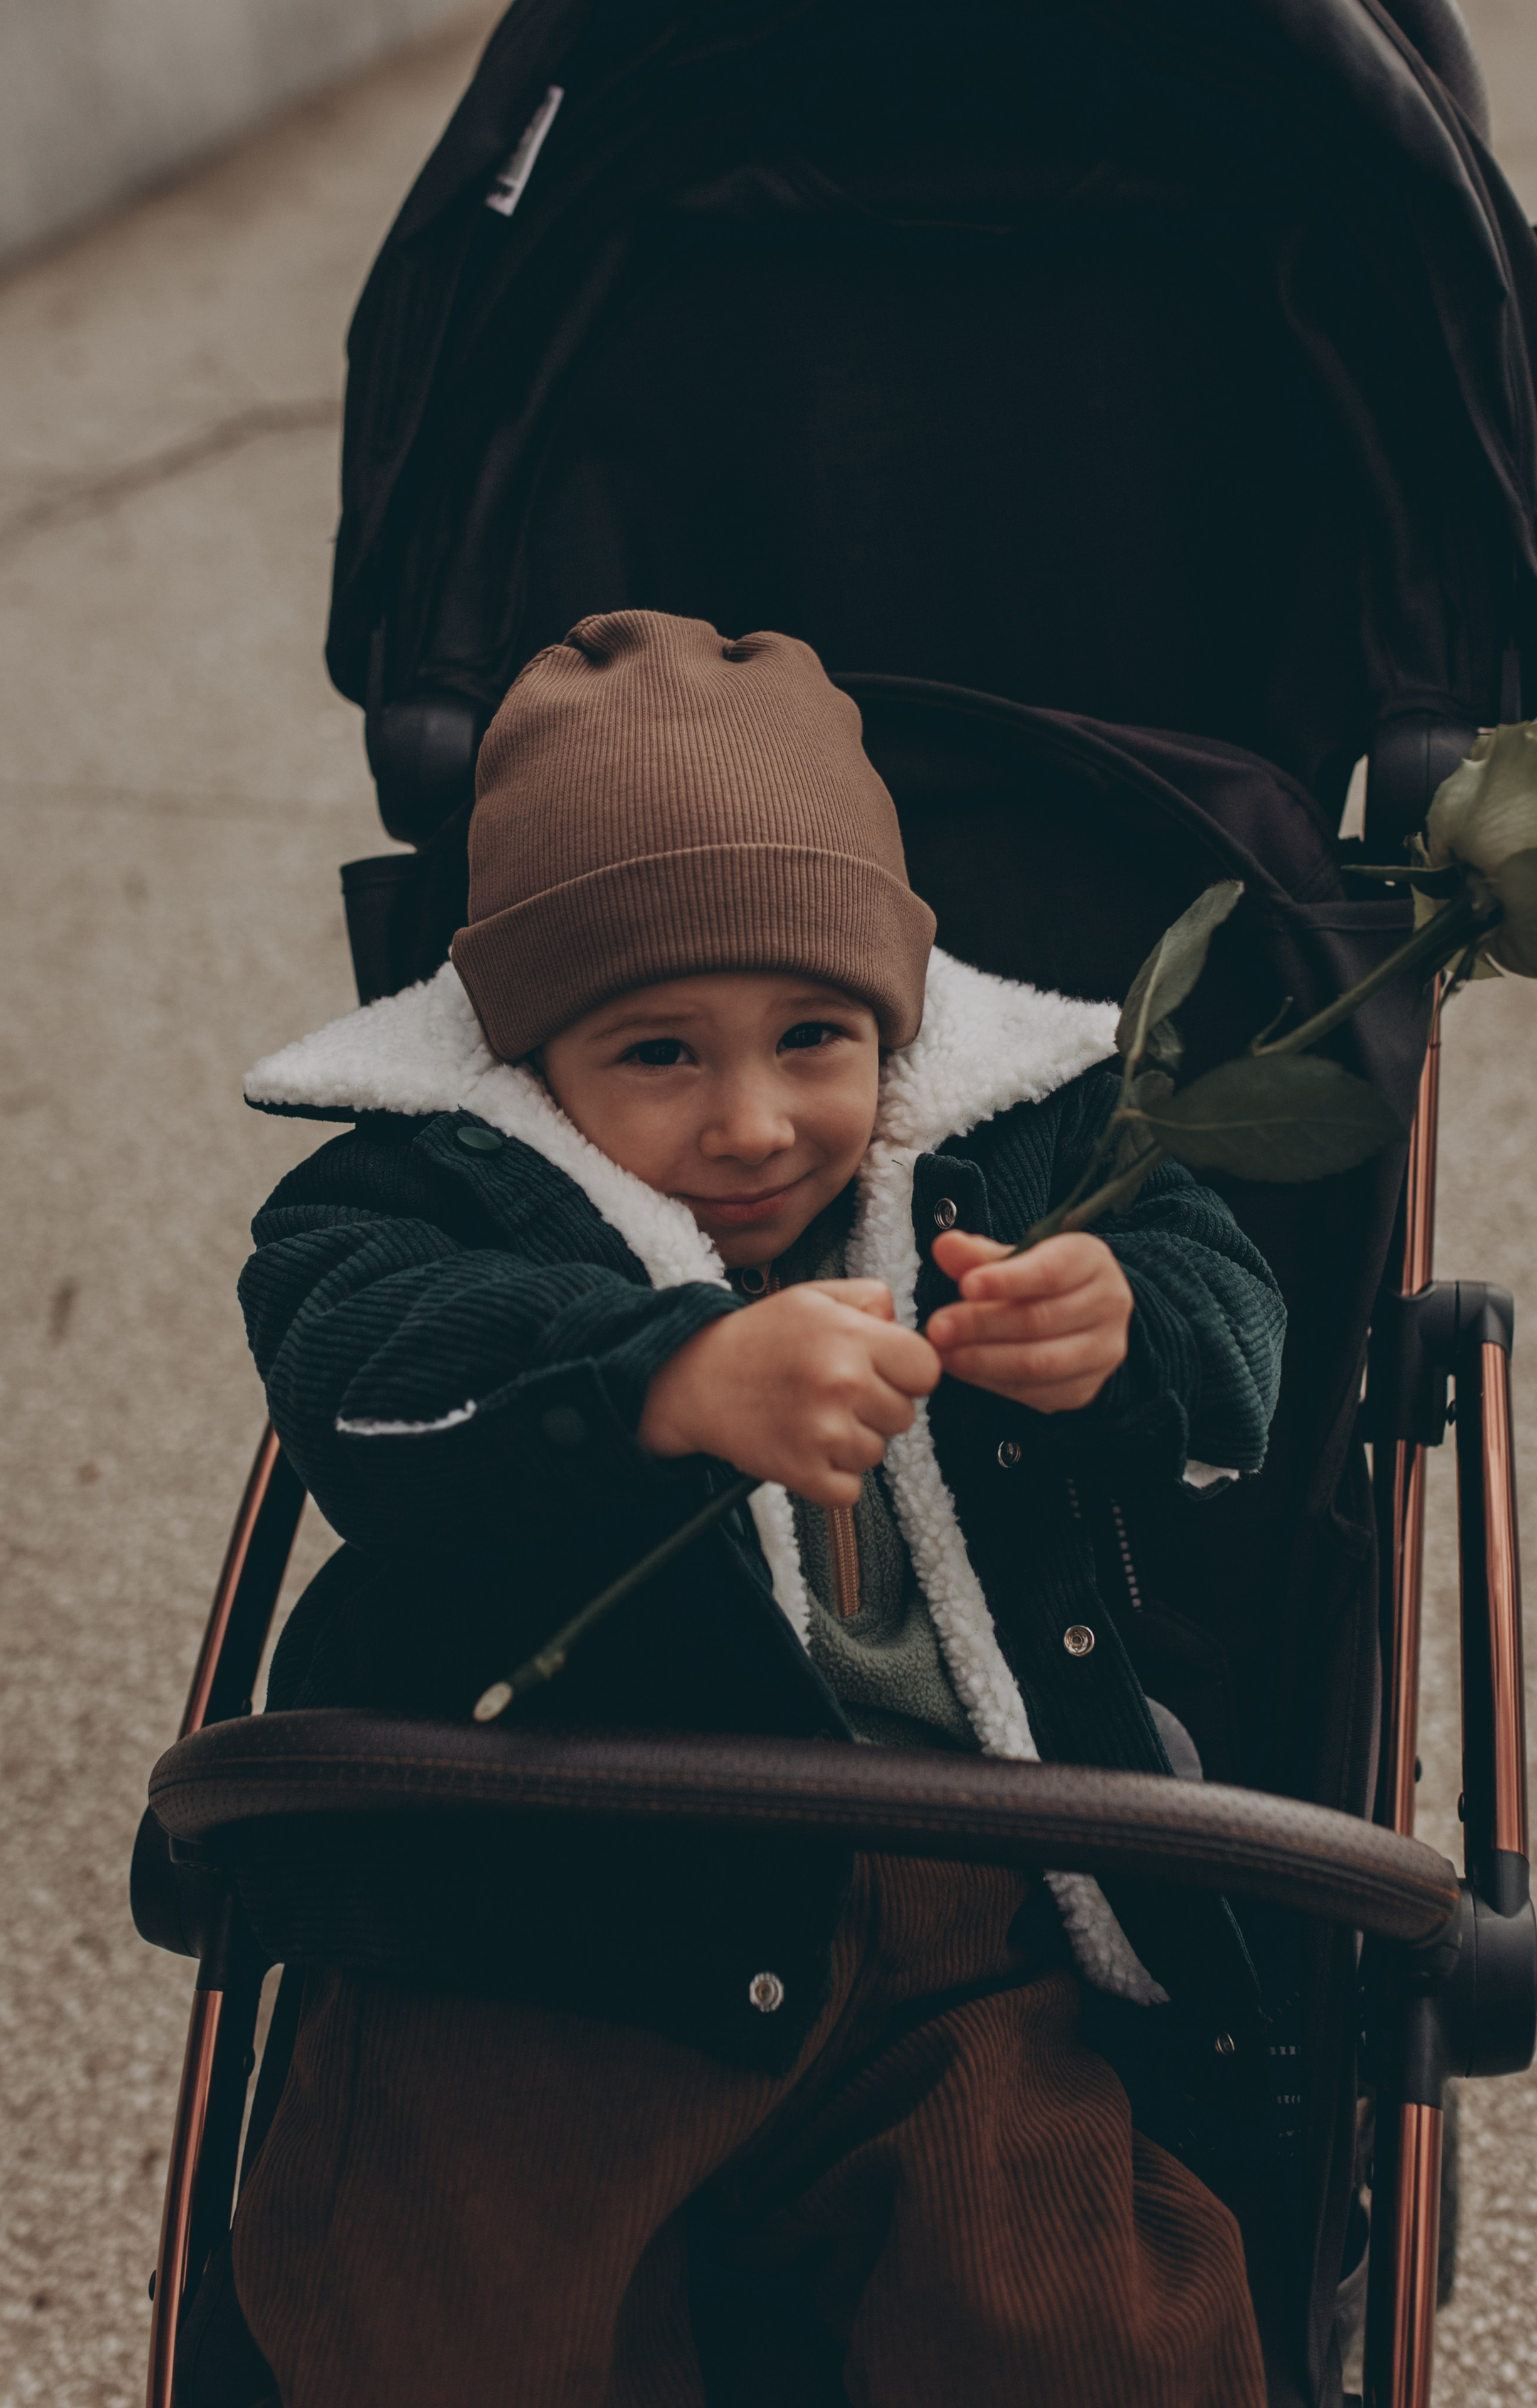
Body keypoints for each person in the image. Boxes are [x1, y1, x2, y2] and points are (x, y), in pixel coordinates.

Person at [230, 609, 1285, 2406]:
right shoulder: (427, 1201)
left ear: (897, 1015)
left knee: (1079, 2310)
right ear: (532, 1061)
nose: (754, 1120)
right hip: (543, 1895)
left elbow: (1234, 1315)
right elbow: (355, 1361)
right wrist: (655, 1380)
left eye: (816, 1033)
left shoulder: (1017, 1145)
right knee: (450, 2290)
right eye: (659, 1053)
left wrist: (1122, 1327)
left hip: (949, 1913)